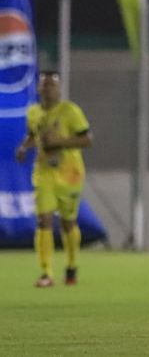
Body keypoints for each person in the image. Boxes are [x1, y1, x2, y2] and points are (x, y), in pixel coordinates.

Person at [16, 70, 92, 287]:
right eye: (44, 85)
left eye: (51, 85)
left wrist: (60, 141)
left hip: (70, 173)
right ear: (38, 88)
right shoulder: (33, 112)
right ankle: (46, 273)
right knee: (44, 220)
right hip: (44, 172)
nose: (47, 88)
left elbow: (87, 139)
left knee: (68, 223)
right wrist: (24, 147)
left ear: (59, 88)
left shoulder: (70, 111)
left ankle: (71, 266)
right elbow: (33, 136)